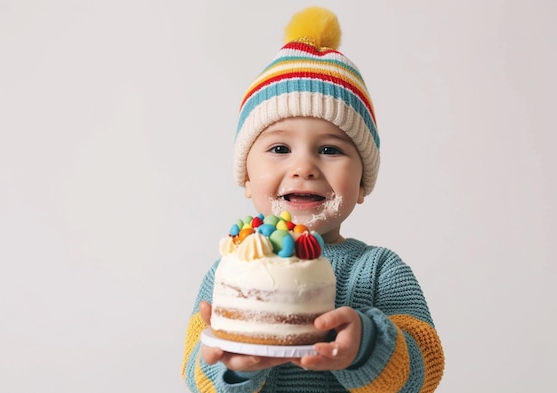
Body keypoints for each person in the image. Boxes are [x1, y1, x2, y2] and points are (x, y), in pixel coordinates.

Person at [181, 6, 445, 392]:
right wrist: (236, 369)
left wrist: (366, 347)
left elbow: (425, 372)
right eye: (279, 148)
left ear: (361, 184)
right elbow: (195, 374)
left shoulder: (379, 271)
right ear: (248, 179)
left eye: (329, 150)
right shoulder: (233, 269)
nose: (303, 166)